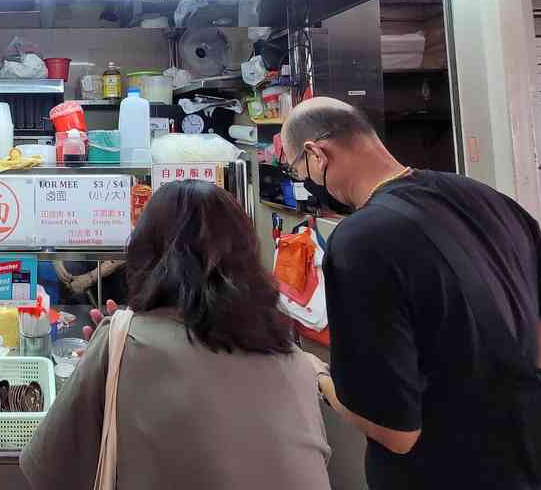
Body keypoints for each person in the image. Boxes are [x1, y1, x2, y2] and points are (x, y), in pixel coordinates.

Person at [279, 96, 541, 490]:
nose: (305, 182)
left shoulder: (360, 241)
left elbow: (395, 432)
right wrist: (496, 372)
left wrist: (321, 379)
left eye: (298, 169)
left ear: (316, 154)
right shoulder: (487, 198)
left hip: (451, 471)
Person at [20, 180, 332, 490]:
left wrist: (110, 352)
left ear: (145, 251)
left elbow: (44, 468)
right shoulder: (295, 360)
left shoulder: (123, 338)